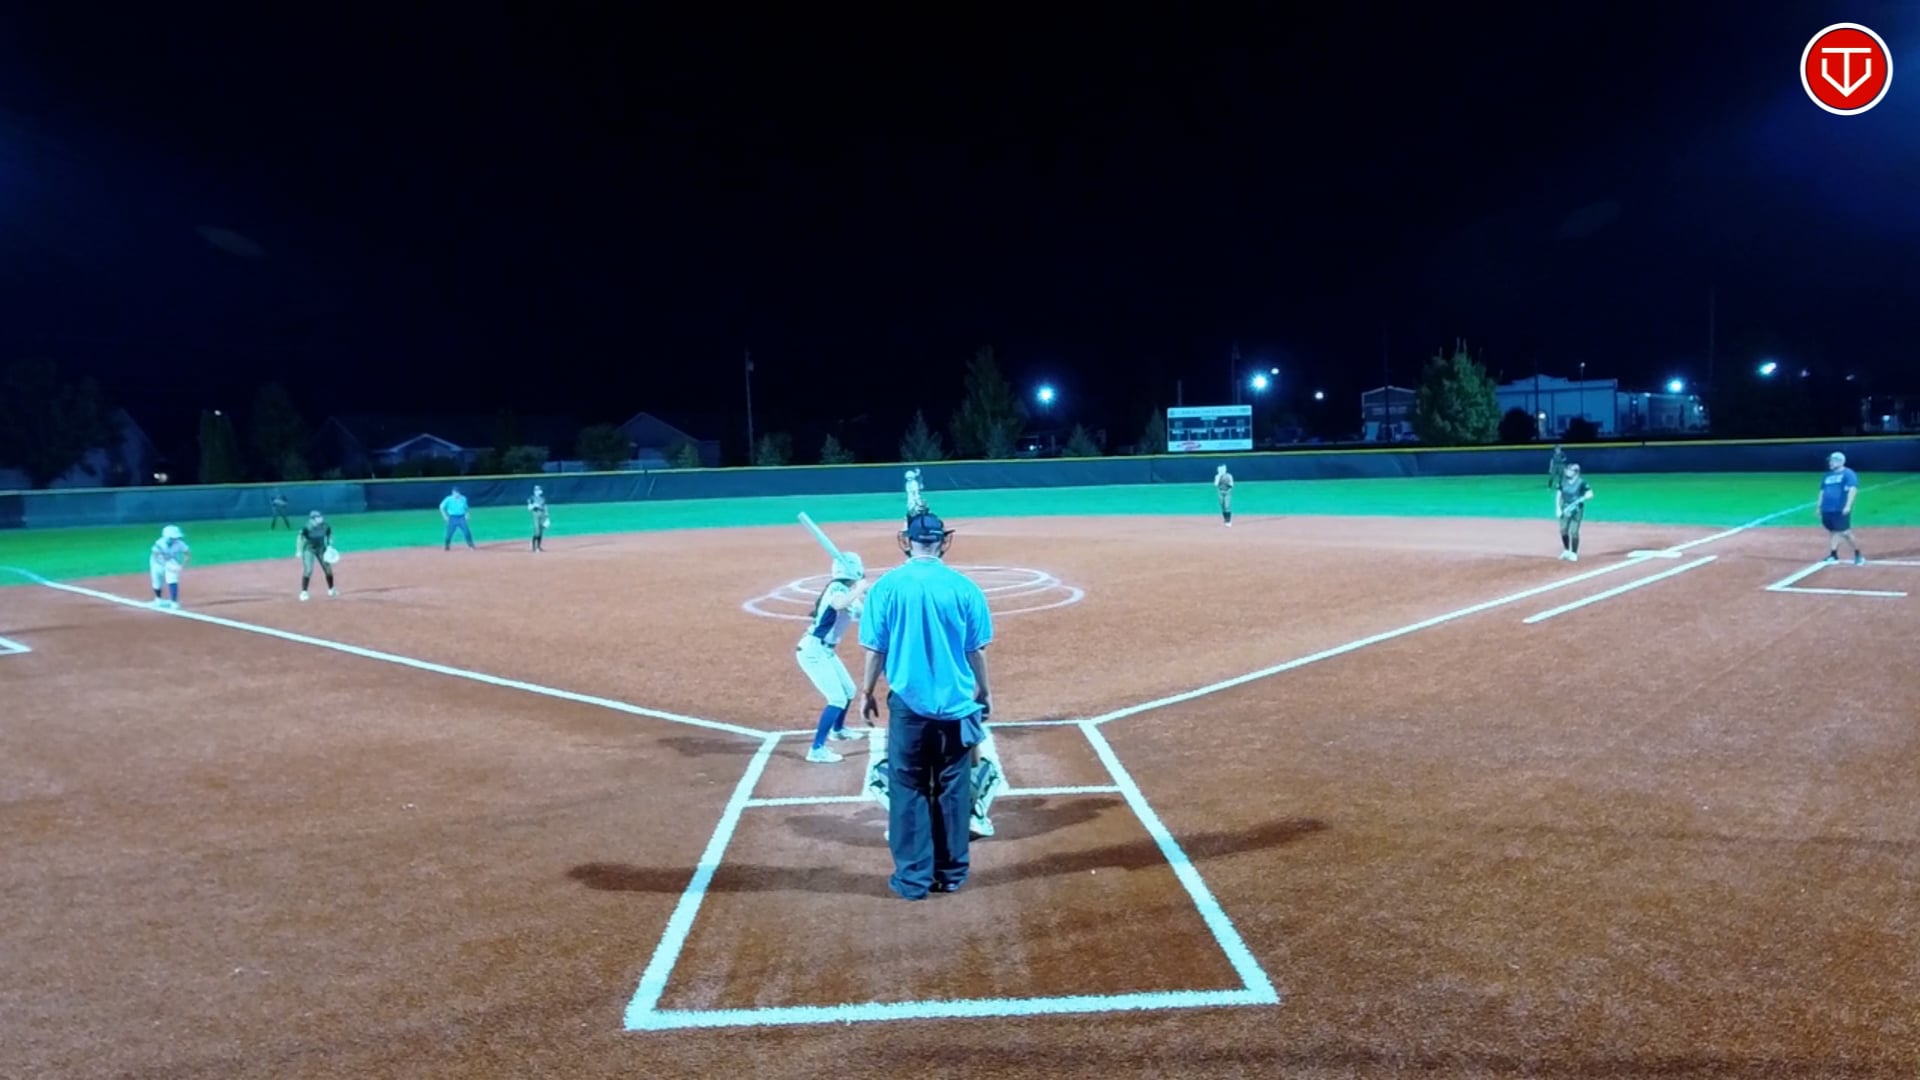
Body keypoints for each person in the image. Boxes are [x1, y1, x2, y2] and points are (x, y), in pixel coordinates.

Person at [858, 511, 995, 900]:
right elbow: (976, 650)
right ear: (943, 541)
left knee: (909, 789)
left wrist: (866, 692)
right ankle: (950, 873)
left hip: (909, 708)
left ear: (907, 541)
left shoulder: (886, 588)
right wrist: (984, 692)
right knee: (953, 789)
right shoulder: (965, 588)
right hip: (956, 708)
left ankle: (913, 880)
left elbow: (875, 650)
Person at [795, 551, 871, 763]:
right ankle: (816, 749)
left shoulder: (846, 591)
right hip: (813, 651)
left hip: (826, 651)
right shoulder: (836, 588)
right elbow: (839, 604)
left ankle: (838, 730)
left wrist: (864, 594)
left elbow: (861, 613)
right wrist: (859, 588)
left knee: (849, 691)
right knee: (837, 698)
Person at [1819, 451, 1865, 565]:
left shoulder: (1848, 474)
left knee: (1845, 532)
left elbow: (1852, 490)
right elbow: (1822, 491)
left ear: (1840, 462)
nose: (1830, 463)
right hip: (1827, 508)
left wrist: (1848, 505)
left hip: (1840, 508)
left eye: (1832, 461)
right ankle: (1833, 555)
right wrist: (1819, 506)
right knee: (1833, 531)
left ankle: (1858, 554)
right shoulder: (1827, 475)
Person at [295, 510, 339, 601]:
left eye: (320, 516)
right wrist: (299, 550)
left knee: (328, 569)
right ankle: (304, 592)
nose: (321, 518)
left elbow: (329, 534)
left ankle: (331, 589)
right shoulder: (307, 527)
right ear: (312, 519)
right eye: (318, 517)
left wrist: (329, 545)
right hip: (309, 550)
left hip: (321, 549)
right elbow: (300, 538)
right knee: (308, 570)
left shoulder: (325, 526)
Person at [1555, 463, 1593, 562]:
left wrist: (1583, 498)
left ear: (1576, 472)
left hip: (1577, 510)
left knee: (1574, 531)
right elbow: (1559, 494)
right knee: (1563, 529)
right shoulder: (1563, 482)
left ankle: (1574, 553)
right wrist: (1558, 508)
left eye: (1570, 470)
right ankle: (1567, 550)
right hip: (1566, 508)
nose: (1567, 472)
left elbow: (1590, 494)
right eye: (1567, 470)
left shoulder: (1581, 482)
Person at [148, 525, 190, 608]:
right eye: (173, 537)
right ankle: (158, 600)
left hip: (171, 561)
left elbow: (187, 554)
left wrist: (182, 566)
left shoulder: (179, 543)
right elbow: (155, 557)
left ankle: (174, 602)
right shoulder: (159, 543)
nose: (175, 539)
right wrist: (167, 566)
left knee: (173, 579)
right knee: (157, 581)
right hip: (157, 563)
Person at [527, 485, 550, 552]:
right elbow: (529, 508)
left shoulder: (543, 498)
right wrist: (534, 505)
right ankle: (533, 546)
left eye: (539, 490)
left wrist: (547, 517)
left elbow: (545, 507)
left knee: (541, 532)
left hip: (542, 515)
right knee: (537, 531)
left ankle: (538, 546)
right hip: (536, 515)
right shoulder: (531, 498)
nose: (539, 491)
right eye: (537, 490)